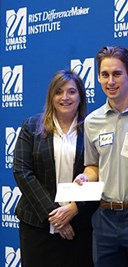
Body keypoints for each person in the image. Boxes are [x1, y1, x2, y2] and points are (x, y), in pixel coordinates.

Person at [13, 70, 97, 267]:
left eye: (71, 92)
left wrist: (73, 209)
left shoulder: (92, 129)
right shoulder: (32, 126)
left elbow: (98, 173)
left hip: (79, 226)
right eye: (59, 92)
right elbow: (22, 171)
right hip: (37, 225)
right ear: (51, 96)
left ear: (81, 96)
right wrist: (55, 216)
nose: (65, 97)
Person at [74, 46, 128, 267]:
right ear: (98, 77)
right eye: (105, 75)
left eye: (117, 74)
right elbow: (93, 165)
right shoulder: (92, 121)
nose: (111, 81)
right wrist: (86, 178)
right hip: (104, 217)